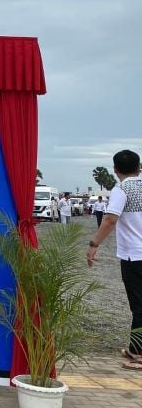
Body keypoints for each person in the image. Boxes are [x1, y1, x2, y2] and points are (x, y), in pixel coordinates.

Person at [86, 150, 142, 367]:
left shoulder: (122, 189)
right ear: (138, 167)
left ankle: (139, 354)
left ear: (116, 169)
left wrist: (94, 244)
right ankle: (135, 349)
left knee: (139, 305)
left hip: (134, 255)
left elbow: (110, 220)